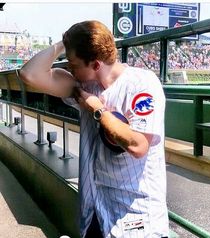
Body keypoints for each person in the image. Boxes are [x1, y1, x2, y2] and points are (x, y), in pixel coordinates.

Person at [20, 20, 169, 238]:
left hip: (136, 220)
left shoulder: (141, 84)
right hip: (95, 214)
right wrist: (66, 42)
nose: (69, 68)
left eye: (73, 63)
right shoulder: (82, 86)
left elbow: (138, 145)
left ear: (96, 64)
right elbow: (29, 74)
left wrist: (97, 110)